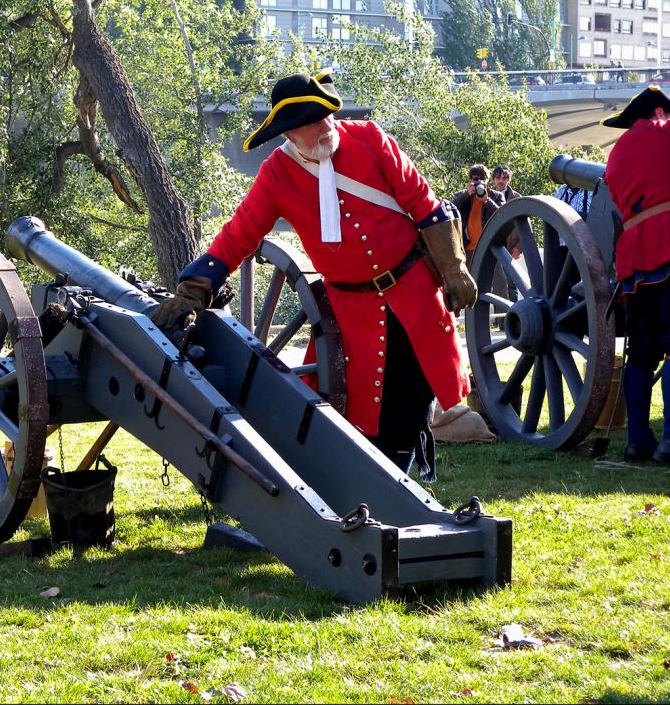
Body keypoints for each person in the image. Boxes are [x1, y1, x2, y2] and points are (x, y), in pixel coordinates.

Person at [152, 71, 476, 481]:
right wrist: (196, 288)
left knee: (411, 393)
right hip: (350, 309)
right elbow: (240, 233)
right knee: (362, 406)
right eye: (312, 121)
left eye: (325, 115)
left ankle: (401, 481)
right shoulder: (276, 175)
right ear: (290, 133)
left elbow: (423, 203)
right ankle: (378, 485)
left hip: (413, 291)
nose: (325, 125)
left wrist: (454, 267)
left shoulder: (369, 139)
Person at [601, 85, 670, 466]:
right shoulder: (668, 132)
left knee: (641, 353)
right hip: (669, 244)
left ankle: (638, 442)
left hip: (635, 259)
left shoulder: (617, 155)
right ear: (661, 112)